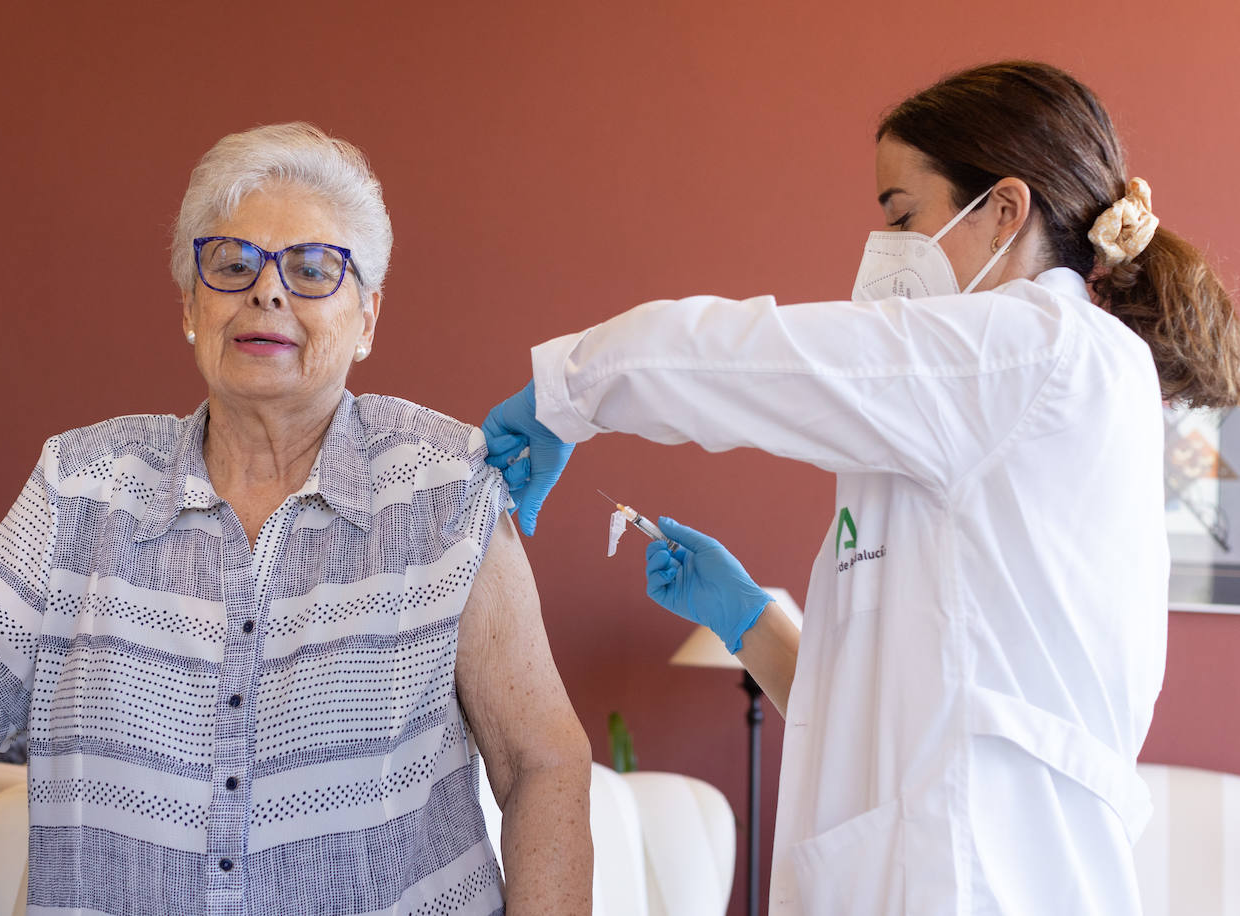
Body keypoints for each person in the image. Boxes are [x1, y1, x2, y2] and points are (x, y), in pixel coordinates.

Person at [482, 61, 1240, 915]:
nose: (884, 249)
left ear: (1003, 211)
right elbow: (895, 706)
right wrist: (749, 621)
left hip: (987, 875)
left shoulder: (1033, 348)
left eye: (903, 215)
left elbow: (754, 359)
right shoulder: (978, 413)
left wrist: (569, 392)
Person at [0, 123, 592, 915]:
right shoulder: (79, 484)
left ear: (369, 320)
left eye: (314, 269)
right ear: (190, 305)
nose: (268, 291)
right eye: (233, 264)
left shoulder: (443, 486)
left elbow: (542, 762)